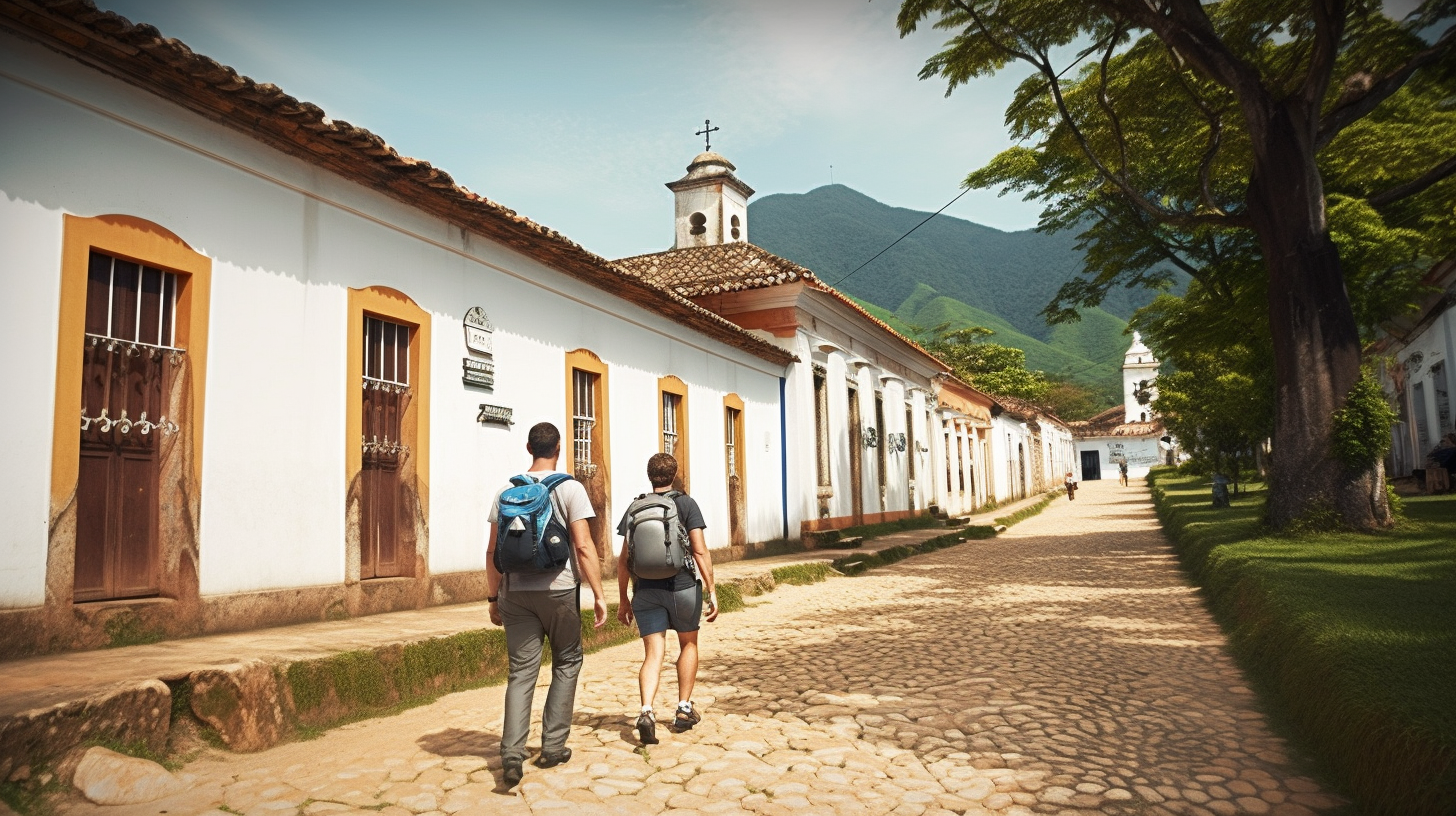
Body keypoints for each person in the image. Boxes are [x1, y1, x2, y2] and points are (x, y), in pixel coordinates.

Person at [486, 422, 607, 787]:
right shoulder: (570, 488)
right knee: (567, 661)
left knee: (521, 672)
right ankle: (552, 747)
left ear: (529, 448)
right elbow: (583, 546)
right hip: (559, 589)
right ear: (558, 448)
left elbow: (492, 551)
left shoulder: (506, 491)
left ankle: (511, 753)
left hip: (514, 592)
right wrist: (599, 594)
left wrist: (493, 597)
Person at [616, 453, 718, 745]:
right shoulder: (686, 504)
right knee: (688, 644)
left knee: (653, 654)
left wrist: (623, 599)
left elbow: (623, 561)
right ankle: (684, 709)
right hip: (682, 588)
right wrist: (711, 589)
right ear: (674, 475)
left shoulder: (635, 507)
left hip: (646, 591)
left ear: (650, 476)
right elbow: (699, 550)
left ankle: (646, 711)